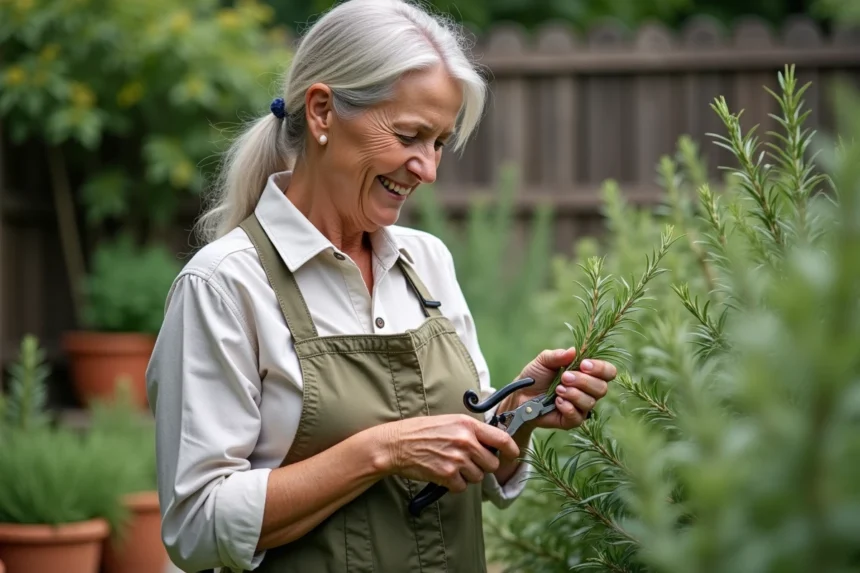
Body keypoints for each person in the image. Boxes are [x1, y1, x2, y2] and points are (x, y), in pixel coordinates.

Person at [145, 0, 617, 571]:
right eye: (410, 135)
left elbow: (479, 477)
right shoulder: (224, 286)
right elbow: (196, 525)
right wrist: (383, 449)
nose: (428, 169)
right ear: (322, 112)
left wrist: (519, 414)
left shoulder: (428, 263)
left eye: (439, 142)